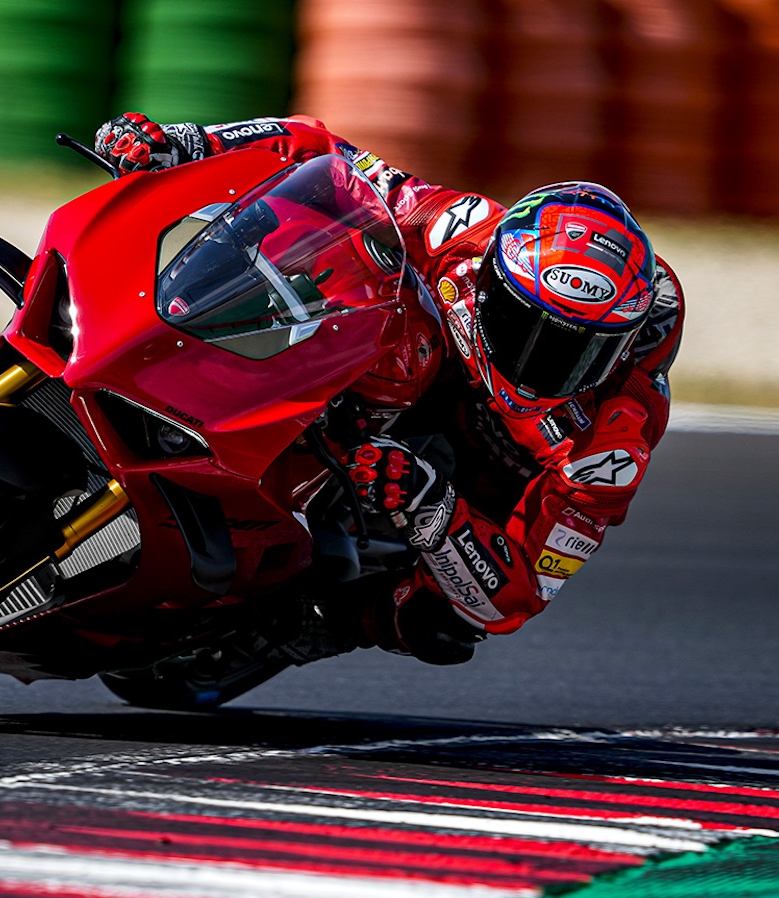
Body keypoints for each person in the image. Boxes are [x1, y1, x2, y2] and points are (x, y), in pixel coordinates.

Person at [93, 112, 684, 666]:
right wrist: (188, 143)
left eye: (575, 352)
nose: (538, 363)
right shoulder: (467, 232)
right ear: (493, 283)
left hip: (482, 481)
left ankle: (298, 625)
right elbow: (325, 154)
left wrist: (430, 505)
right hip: (426, 364)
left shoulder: (611, 443)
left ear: (619, 349)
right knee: (351, 262)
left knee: (438, 624)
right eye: (524, 327)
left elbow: (521, 595)